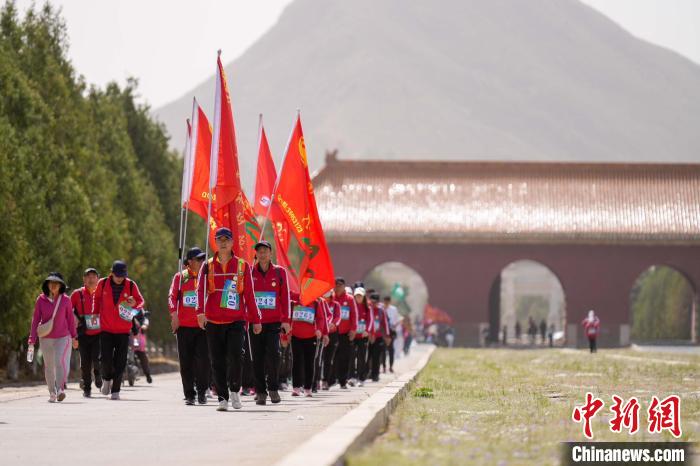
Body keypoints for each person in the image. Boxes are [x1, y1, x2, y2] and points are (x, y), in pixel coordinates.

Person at [196, 227, 262, 412]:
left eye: (226, 239)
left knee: (235, 357)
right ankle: (222, 398)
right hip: (213, 321)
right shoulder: (207, 266)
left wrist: (256, 320)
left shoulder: (242, 266)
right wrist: (200, 312)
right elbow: (200, 290)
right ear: (215, 242)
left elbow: (249, 295)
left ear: (232, 242)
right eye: (220, 239)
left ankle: (235, 390)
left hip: (236, 321)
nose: (223, 242)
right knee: (216, 360)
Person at [94, 260, 144, 400]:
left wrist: (134, 307)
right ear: (111, 273)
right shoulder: (102, 284)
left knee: (120, 361)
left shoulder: (131, 285)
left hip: (123, 329)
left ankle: (116, 390)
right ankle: (106, 379)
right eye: (117, 276)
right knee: (105, 359)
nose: (120, 278)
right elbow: (96, 300)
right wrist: (94, 314)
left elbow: (140, 302)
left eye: (122, 275)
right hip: (106, 328)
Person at [250, 240, 291, 405]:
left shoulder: (280, 273)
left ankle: (273, 388)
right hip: (255, 323)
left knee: (274, 355)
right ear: (256, 254)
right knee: (257, 358)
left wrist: (286, 320)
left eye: (265, 251)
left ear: (270, 253)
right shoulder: (249, 272)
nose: (262, 254)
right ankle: (261, 392)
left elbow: (285, 297)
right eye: (259, 251)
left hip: (274, 323)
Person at [168, 247, 210, 405]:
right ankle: (189, 395)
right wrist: (174, 316)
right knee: (186, 362)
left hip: (202, 327)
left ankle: (202, 393)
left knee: (203, 361)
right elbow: (172, 297)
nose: (202, 262)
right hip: (184, 327)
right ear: (190, 262)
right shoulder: (180, 277)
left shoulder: (207, 277)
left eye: (203, 259)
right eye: (198, 259)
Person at [28, 273, 78, 402]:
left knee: (58, 362)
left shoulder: (66, 300)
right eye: (51, 282)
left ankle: (60, 389)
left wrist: (74, 337)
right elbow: (35, 320)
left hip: (62, 337)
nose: (54, 285)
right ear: (47, 285)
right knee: (49, 365)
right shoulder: (41, 300)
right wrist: (31, 340)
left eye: (57, 283)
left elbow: (70, 320)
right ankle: (52, 392)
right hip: (45, 337)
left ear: (61, 285)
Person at [289, 292, 329, 397]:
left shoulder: (316, 303)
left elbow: (321, 318)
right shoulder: (294, 302)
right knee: (297, 362)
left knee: (309, 363)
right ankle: (296, 388)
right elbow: (288, 318)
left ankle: (308, 388)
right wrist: (286, 334)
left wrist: (320, 330)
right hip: (296, 336)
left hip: (311, 337)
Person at [71, 267, 102, 397]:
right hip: (83, 334)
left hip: (99, 333)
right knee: (85, 362)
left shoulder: (102, 293)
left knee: (97, 359)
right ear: (84, 279)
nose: (91, 279)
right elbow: (68, 312)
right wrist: (73, 336)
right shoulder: (77, 294)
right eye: (88, 276)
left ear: (98, 279)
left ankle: (98, 373)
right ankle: (87, 388)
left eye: (93, 276)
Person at [332, 278, 357, 389]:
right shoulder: (331, 298)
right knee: (332, 357)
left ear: (344, 286)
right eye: (336, 285)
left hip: (345, 333)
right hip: (332, 332)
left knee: (344, 357)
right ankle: (330, 380)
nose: (338, 287)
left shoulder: (350, 299)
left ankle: (342, 381)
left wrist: (353, 329)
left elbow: (354, 315)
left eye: (340, 285)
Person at [350, 287, 373, 387]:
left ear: (363, 297)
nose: (358, 298)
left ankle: (361, 378)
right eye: (356, 296)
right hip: (353, 336)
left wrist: (367, 331)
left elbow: (370, 320)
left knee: (361, 357)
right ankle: (352, 377)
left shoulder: (368, 308)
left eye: (360, 296)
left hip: (363, 336)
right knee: (352, 356)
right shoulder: (352, 306)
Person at [321, 290, 341, 390]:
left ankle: (325, 381)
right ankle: (315, 381)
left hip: (332, 334)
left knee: (328, 359)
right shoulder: (319, 302)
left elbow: (338, 317)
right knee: (319, 359)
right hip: (321, 334)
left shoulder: (336, 305)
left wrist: (333, 323)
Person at [368, 293, 390, 382]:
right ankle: (365, 373)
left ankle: (375, 375)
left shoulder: (381, 311)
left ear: (378, 302)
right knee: (367, 357)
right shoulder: (367, 309)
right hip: (368, 337)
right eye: (372, 301)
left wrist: (387, 336)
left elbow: (385, 324)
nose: (373, 304)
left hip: (378, 337)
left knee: (376, 357)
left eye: (375, 302)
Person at [131, 309, 152, 383]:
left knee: (143, 357)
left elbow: (146, 323)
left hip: (137, 343)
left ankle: (148, 374)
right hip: (127, 342)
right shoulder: (126, 313)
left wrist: (143, 327)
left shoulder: (144, 319)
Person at [381, 296, 399, 373]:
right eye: (385, 302)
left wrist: (394, 326)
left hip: (391, 330)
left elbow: (396, 320)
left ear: (390, 302)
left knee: (391, 349)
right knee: (383, 349)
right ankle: (384, 367)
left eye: (388, 302)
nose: (386, 303)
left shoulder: (394, 309)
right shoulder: (381, 308)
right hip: (383, 330)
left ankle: (391, 366)